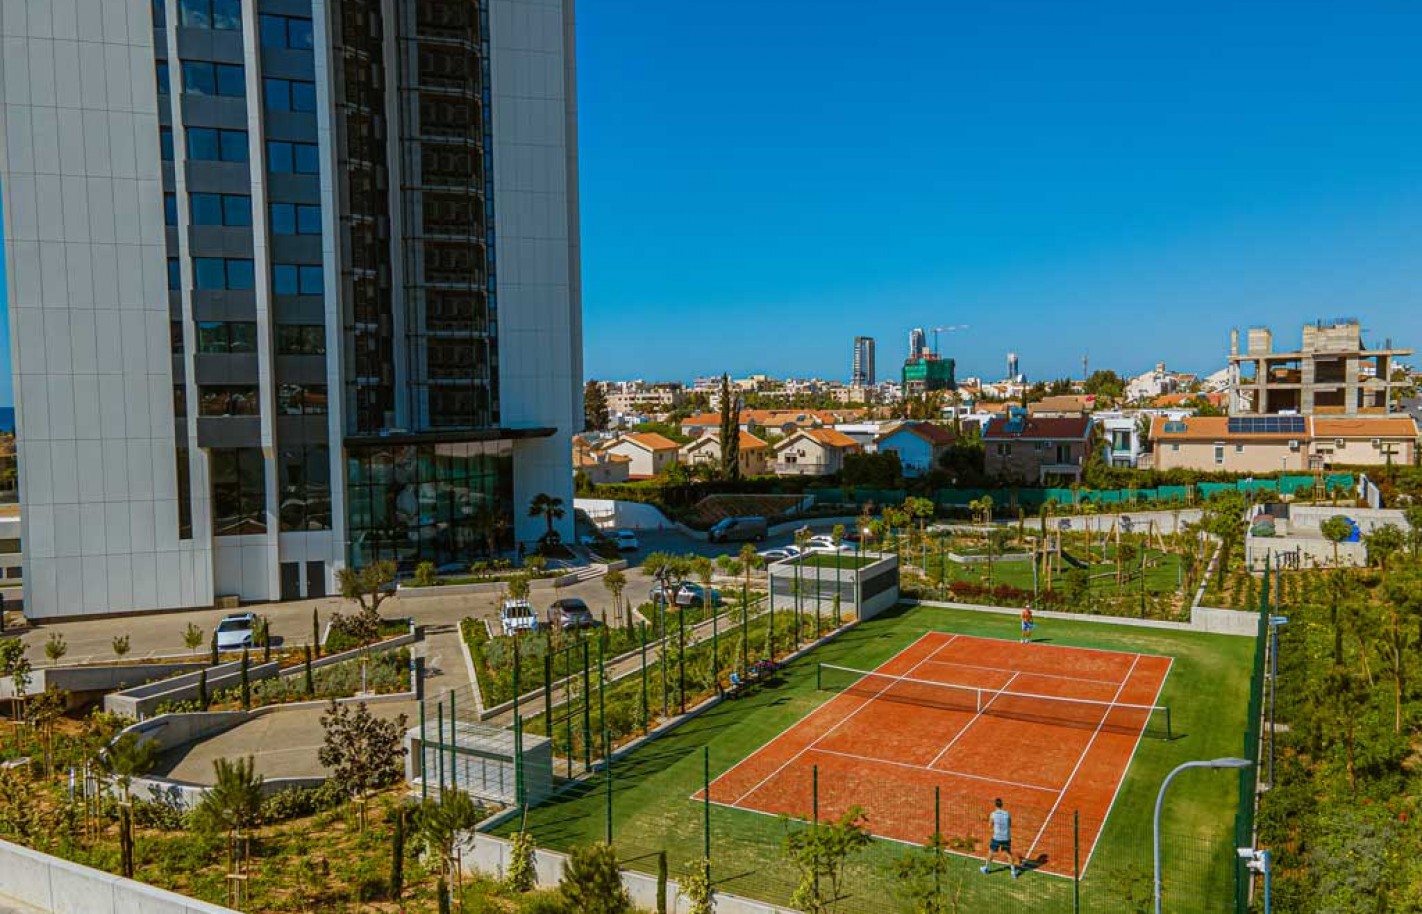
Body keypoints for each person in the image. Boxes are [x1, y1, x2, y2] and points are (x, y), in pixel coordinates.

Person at [981, 797, 1020, 878]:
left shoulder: (993, 814)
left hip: (997, 837)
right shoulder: (1007, 813)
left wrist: (988, 819)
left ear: (995, 805)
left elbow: (989, 826)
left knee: (991, 852)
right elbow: (1009, 825)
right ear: (1002, 805)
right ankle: (1013, 872)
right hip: (1006, 837)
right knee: (1008, 854)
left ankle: (986, 868)